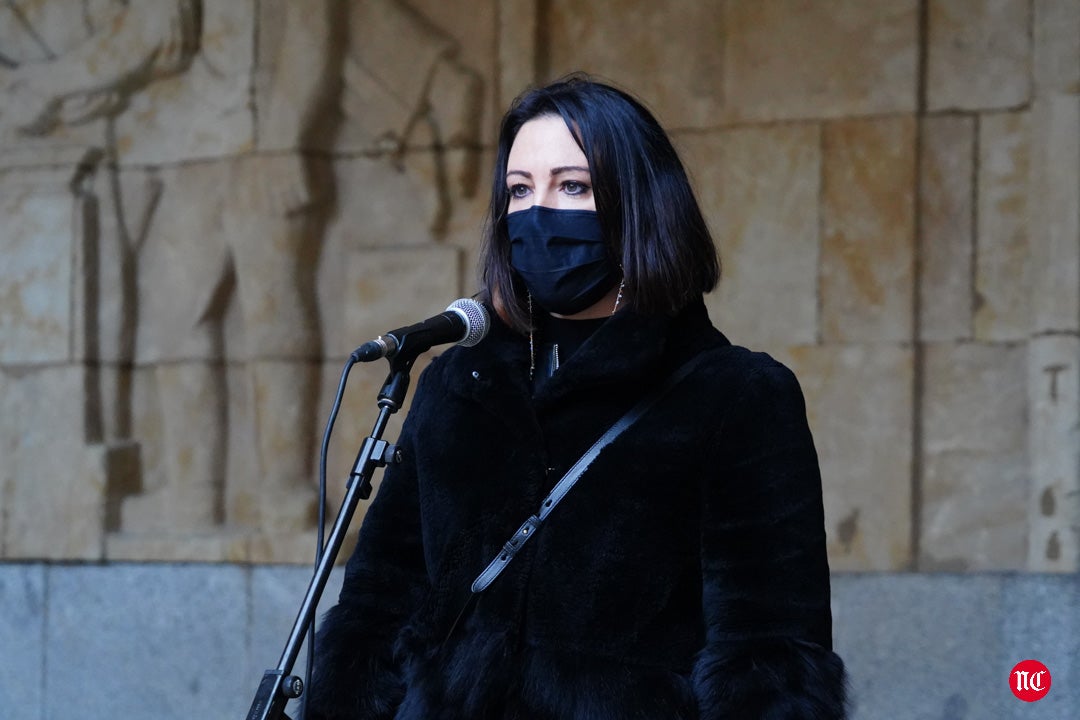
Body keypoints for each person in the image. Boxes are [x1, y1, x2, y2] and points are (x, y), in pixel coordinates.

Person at [307, 75, 847, 719]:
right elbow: (379, 603)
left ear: (637, 202)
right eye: (518, 189)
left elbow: (769, 659)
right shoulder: (458, 381)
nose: (538, 212)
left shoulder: (737, 395)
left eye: (572, 185)